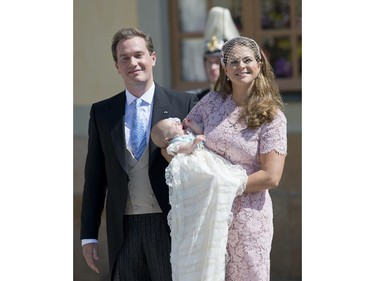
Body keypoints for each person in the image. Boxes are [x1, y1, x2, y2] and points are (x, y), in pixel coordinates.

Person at [80, 27, 199, 281]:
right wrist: (88, 235)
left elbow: (200, 168)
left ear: (152, 58)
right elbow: (94, 179)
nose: (133, 63)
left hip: (170, 225)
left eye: (138, 55)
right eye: (124, 58)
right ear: (117, 66)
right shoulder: (102, 112)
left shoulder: (184, 104)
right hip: (124, 231)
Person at [185, 36, 287, 280]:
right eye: (234, 61)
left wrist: (222, 186)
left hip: (248, 218)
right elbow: (183, 134)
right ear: (225, 69)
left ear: (259, 65)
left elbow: (271, 177)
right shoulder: (210, 103)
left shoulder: (272, 116)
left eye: (247, 60)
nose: (241, 66)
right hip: (207, 213)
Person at [151, 117, 248, 281]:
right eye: (172, 125)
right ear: (167, 139)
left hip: (207, 159)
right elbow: (183, 150)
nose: (176, 122)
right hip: (196, 163)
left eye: (175, 121)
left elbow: (201, 133)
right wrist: (194, 143)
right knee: (210, 179)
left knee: (223, 176)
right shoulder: (175, 144)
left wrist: (194, 127)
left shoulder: (187, 132)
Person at [189, 7, 239, 100]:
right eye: (209, 62)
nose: (212, 68)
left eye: (217, 62)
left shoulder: (241, 98)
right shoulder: (198, 100)